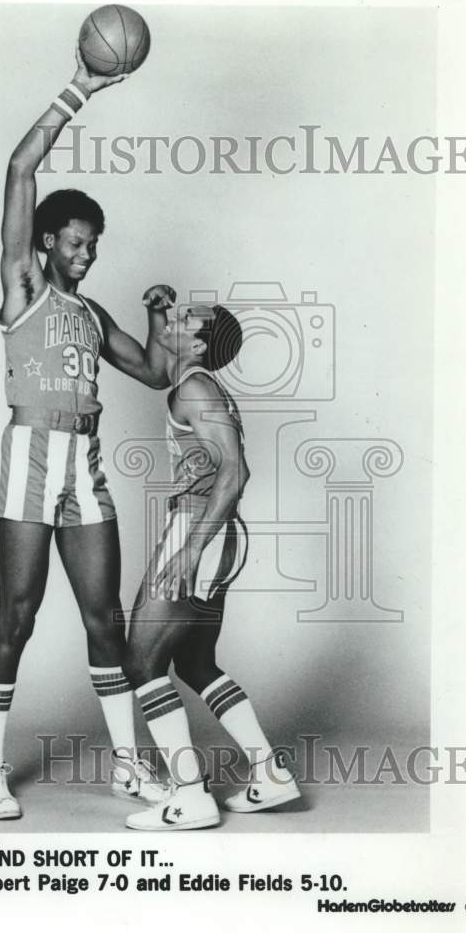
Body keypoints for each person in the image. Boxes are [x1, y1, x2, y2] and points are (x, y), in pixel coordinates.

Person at [0, 49, 173, 819]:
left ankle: (129, 766)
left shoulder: (93, 317)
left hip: (83, 468)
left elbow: (156, 373)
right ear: (49, 242)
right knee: (16, 616)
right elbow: (21, 170)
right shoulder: (22, 286)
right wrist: (80, 90)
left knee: (105, 619)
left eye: (95, 246)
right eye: (78, 242)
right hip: (29, 458)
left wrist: (158, 310)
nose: (88, 255)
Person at [122, 301, 301, 830]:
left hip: (200, 529)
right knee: (196, 664)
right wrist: (157, 312)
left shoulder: (194, 389)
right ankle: (269, 774)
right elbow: (157, 358)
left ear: (198, 346)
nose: (169, 326)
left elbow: (235, 471)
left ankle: (189, 795)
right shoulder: (194, 383)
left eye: (180, 323)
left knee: (141, 662)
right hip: (221, 533)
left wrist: (192, 546)